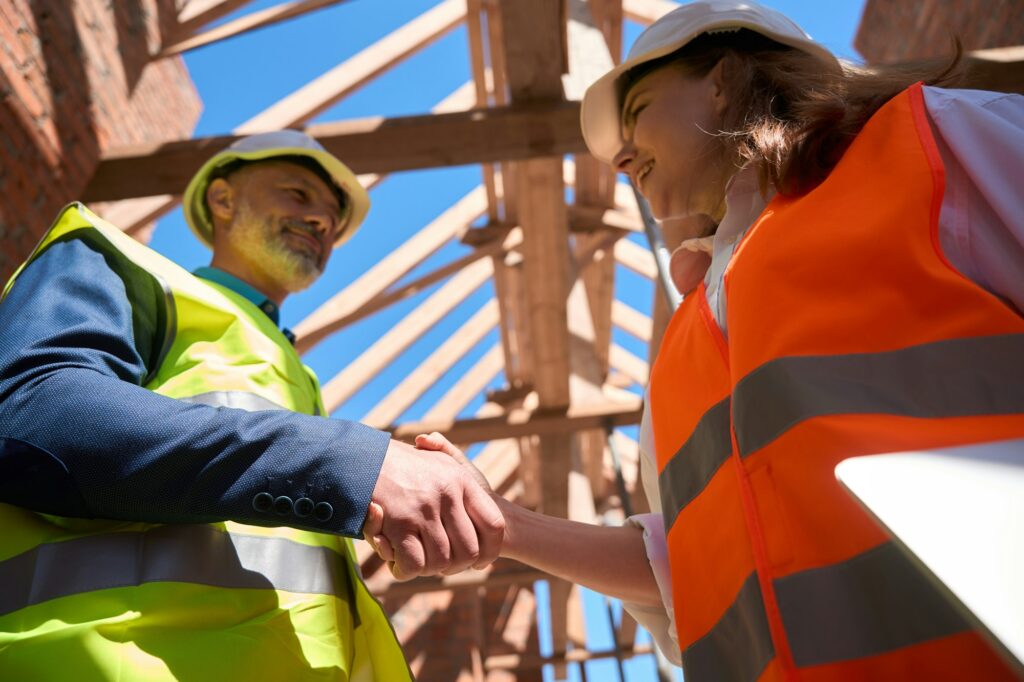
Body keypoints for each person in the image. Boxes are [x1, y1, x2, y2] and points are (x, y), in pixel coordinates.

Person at [372, 1, 1024, 679]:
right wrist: (508, 526)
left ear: (721, 79)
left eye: (640, 110)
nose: (621, 157)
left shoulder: (932, 143)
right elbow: (685, 570)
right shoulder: (684, 350)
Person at [0, 130, 504, 680]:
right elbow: (31, 411)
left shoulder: (299, 377)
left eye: (332, 219)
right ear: (222, 199)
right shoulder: (128, 271)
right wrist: (350, 465)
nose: (321, 222)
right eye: (297, 194)